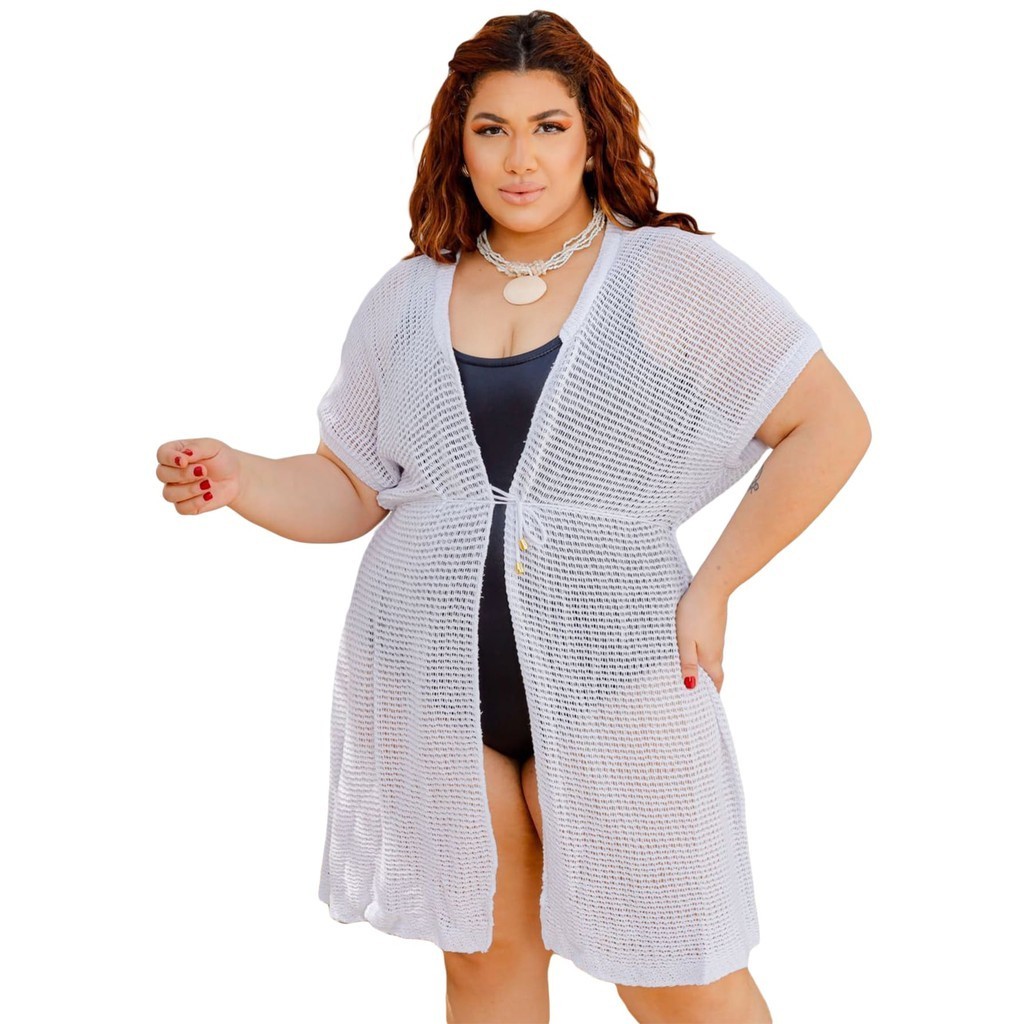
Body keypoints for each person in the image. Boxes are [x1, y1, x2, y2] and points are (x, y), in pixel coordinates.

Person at [155, 11, 870, 1024]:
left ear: (593, 139)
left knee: (672, 970)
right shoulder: (406, 297)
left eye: (548, 126)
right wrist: (241, 478)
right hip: (433, 683)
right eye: (491, 129)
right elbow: (352, 485)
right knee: (483, 966)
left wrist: (715, 587)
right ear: (458, 143)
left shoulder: (667, 275)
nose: (519, 158)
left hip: (617, 670)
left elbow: (831, 425)